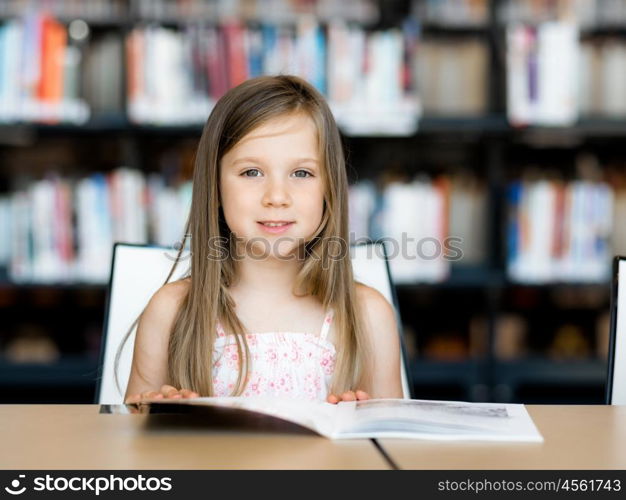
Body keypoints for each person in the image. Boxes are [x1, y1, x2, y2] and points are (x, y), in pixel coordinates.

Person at [122, 75, 403, 405]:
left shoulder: (367, 316)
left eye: (302, 173)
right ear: (214, 187)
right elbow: (131, 441)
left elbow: (387, 446)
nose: (277, 197)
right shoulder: (171, 310)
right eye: (251, 172)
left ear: (329, 190)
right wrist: (157, 419)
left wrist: (361, 429)